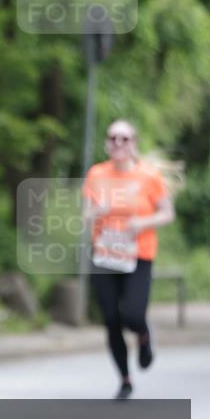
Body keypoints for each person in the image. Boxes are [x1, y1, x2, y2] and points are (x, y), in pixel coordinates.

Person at [82, 119, 175, 400]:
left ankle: (144, 336)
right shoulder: (97, 173)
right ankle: (125, 379)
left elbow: (167, 213)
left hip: (138, 255)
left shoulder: (149, 176)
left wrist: (142, 222)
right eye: (113, 138)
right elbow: (85, 215)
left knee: (133, 315)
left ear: (133, 143)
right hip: (105, 255)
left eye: (124, 139)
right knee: (111, 319)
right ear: (107, 143)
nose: (118, 143)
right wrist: (97, 212)